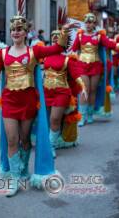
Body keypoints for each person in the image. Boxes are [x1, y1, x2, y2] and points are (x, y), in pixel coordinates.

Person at [0, 13, 71, 197]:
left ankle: (23, 171)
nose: (15, 32)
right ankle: (14, 179)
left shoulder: (34, 51)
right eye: (13, 29)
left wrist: (64, 32)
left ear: (26, 32)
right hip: (9, 103)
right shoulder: (3, 53)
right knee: (12, 139)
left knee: (25, 139)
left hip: (28, 103)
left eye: (19, 29)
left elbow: (57, 48)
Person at [71, 13, 119, 126]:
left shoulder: (99, 36)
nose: (88, 24)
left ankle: (90, 113)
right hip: (82, 65)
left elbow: (110, 45)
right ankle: (82, 116)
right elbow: (73, 49)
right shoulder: (79, 35)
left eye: (90, 22)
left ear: (94, 24)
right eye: (86, 22)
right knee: (85, 89)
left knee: (93, 90)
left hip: (96, 66)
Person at [43, 28, 87, 157]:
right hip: (46, 92)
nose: (56, 38)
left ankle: (51, 146)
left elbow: (76, 76)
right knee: (47, 120)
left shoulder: (68, 59)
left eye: (59, 36)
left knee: (55, 119)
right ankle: (48, 141)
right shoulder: (43, 57)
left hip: (61, 92)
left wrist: (83, 87)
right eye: (53, 36)